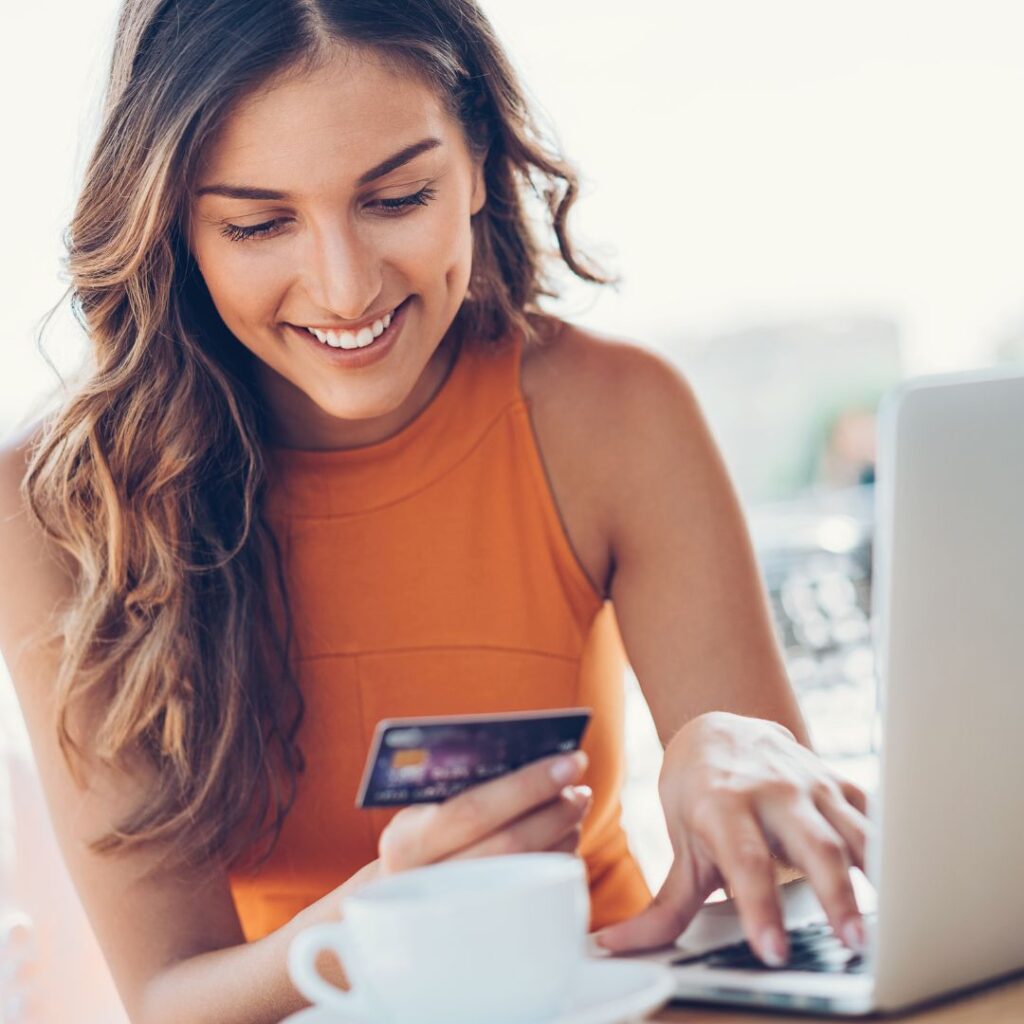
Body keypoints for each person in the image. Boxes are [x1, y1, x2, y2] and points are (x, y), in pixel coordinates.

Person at [0, 2, 870, 1021]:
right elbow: (165, 995)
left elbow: (784, 880)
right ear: (174, 228)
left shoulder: (615, 414)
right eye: (257, 223)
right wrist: (384, 916)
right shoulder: (62, 507)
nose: (343, 287)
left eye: (398, 197)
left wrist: (729, 748)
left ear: (479, 160)